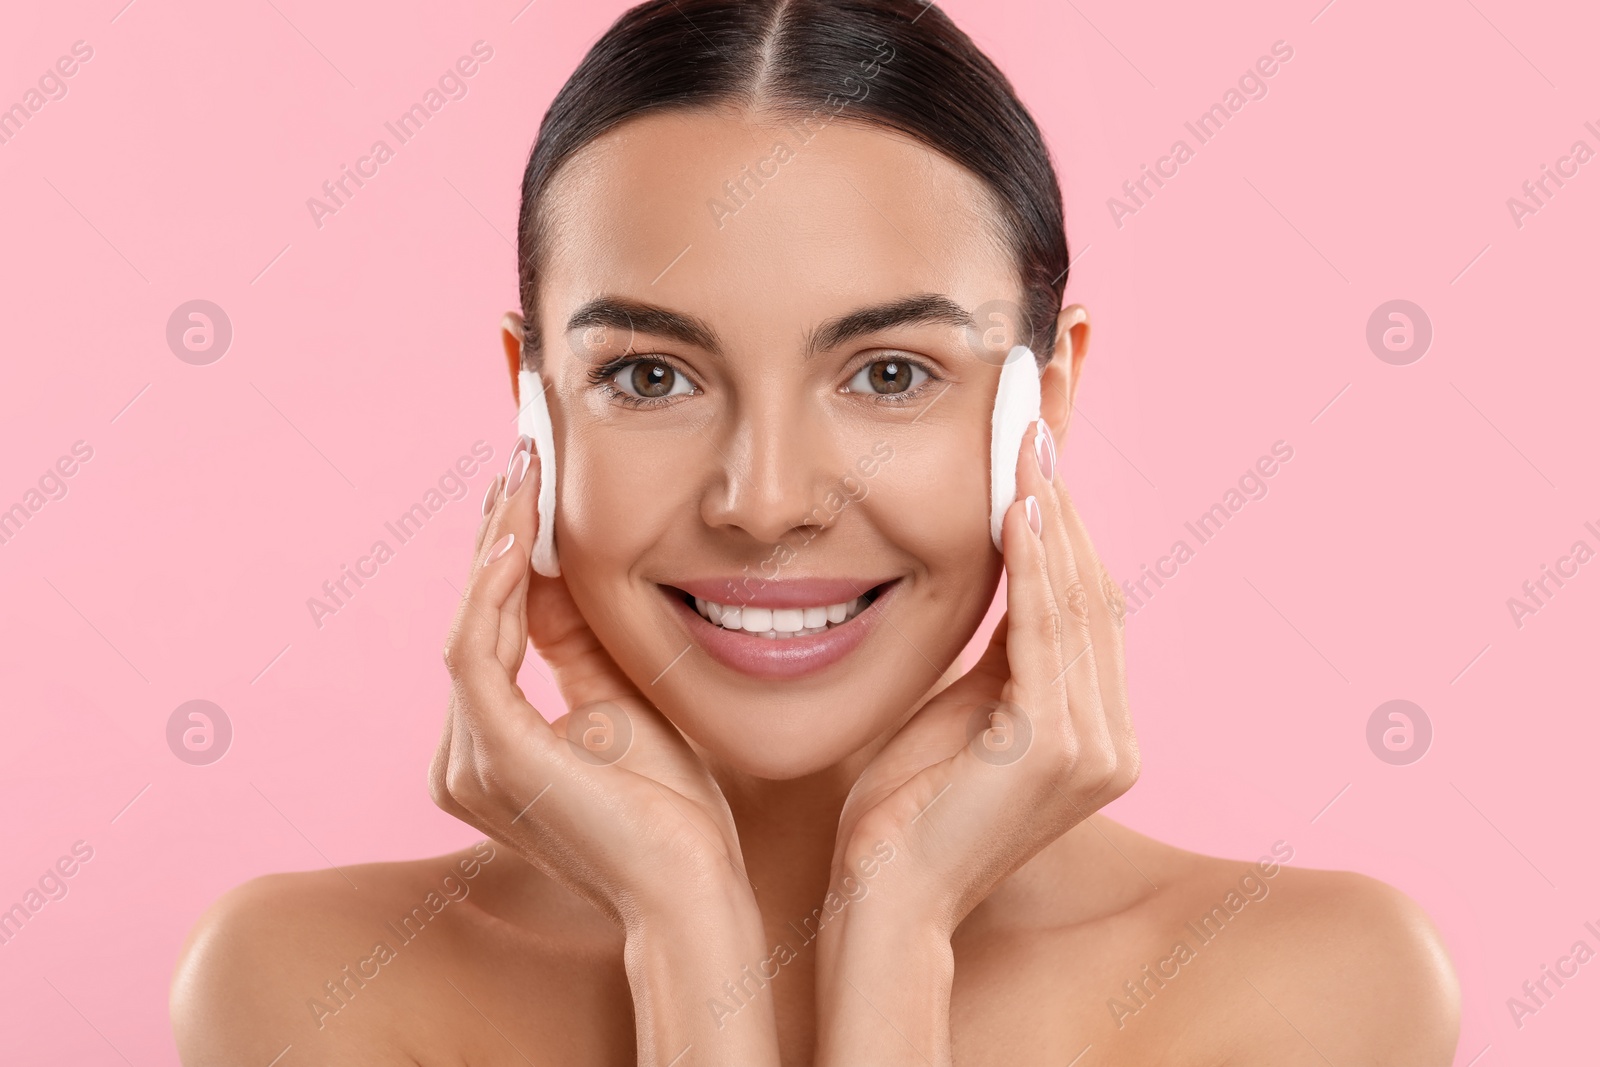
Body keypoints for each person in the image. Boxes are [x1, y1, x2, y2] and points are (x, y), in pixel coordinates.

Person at [170, 1, 1461, 1063]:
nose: (767, 499)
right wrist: (681, 928)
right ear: (533, 399)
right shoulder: (310, 990)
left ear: (1044, 394)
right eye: (651, 376)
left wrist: (896, 923)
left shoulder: (1311, 994)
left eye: (890, 374)